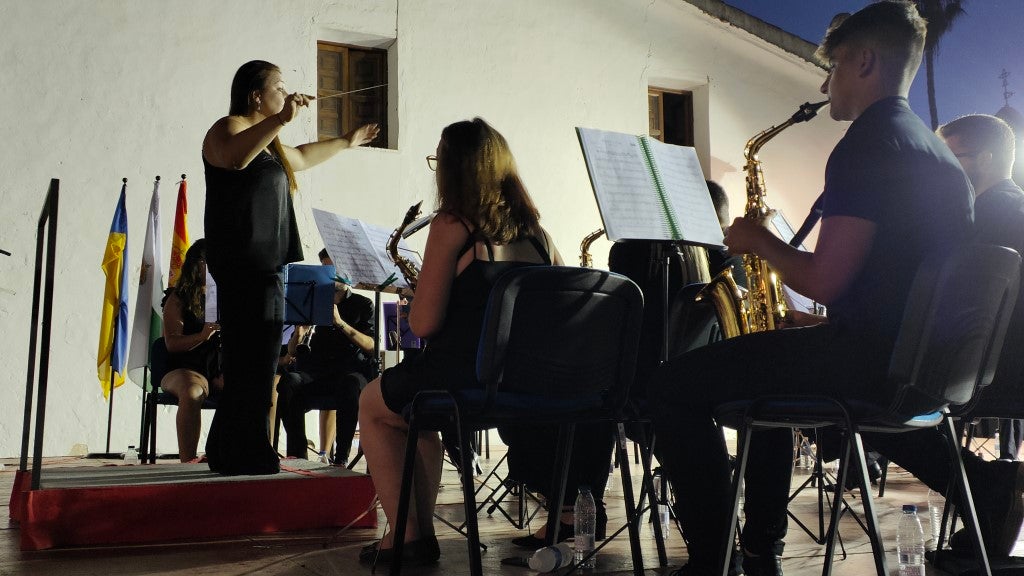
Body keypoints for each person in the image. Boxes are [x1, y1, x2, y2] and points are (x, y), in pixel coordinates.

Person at [648, 3, 975, 575]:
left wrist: (757, 240)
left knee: (668, 386)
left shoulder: (868, 145)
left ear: (865, 61)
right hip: (922, 368)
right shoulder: (938, 157)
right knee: (769, 366)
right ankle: (759, 547)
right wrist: (824, 322)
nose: (825, 85)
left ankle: (713, 559)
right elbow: (903, 289)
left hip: (871, 367)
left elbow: (824, 278)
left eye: (833, 66)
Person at [357, 117, 563, 566]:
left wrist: (419, 299)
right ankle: (415, 535)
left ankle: (408, 536)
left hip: (464, 378)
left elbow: (425, 325)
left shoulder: (453, 224)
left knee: (373, 405)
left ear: (455, 170)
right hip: (526, 386)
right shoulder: (539, 236)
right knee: (414, 416)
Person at [202, 60, 379, 475]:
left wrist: (346, 141)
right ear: (256, 96)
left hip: (266, 265)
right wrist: (281, 119)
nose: (286, 93)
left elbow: (301, 156)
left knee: (258, 361)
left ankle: (229, 448)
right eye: (279, 87)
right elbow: (235, 159)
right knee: (250, 360)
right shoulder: (226, 129)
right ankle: (243, 450)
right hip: (241, 261)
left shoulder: (270, 143)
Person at [940, 114, 1024, 464]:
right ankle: (987, 487)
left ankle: (986, 485)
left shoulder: (980, 218)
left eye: (951, 158)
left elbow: (947, 305)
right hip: (1005, 366)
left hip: (990, 372)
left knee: (873, 388)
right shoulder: (1014, 206)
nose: (943, 169)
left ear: (985, 159)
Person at [276, 248, 377, 466]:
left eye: (336, 268)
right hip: (316, 372)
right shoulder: (312, 300)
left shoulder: (363, 304)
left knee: (350, 385)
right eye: (326, 269)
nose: (331, 275)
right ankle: (298, 455)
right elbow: (292, 351)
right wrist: (299, 334)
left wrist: (340, 323)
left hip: (350, 371)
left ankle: (341, 458)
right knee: (289, 382)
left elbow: (372, 346)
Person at [159, 239, 222, 463]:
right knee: (192, 392)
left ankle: (220, 452)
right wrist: (201, 336)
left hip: (215, 366)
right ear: (197, 264)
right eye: (209, 262)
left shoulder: (224, 297)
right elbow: (172, 344)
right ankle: (188, 461)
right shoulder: (178, 298)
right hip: (185, 366)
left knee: (244, 391)